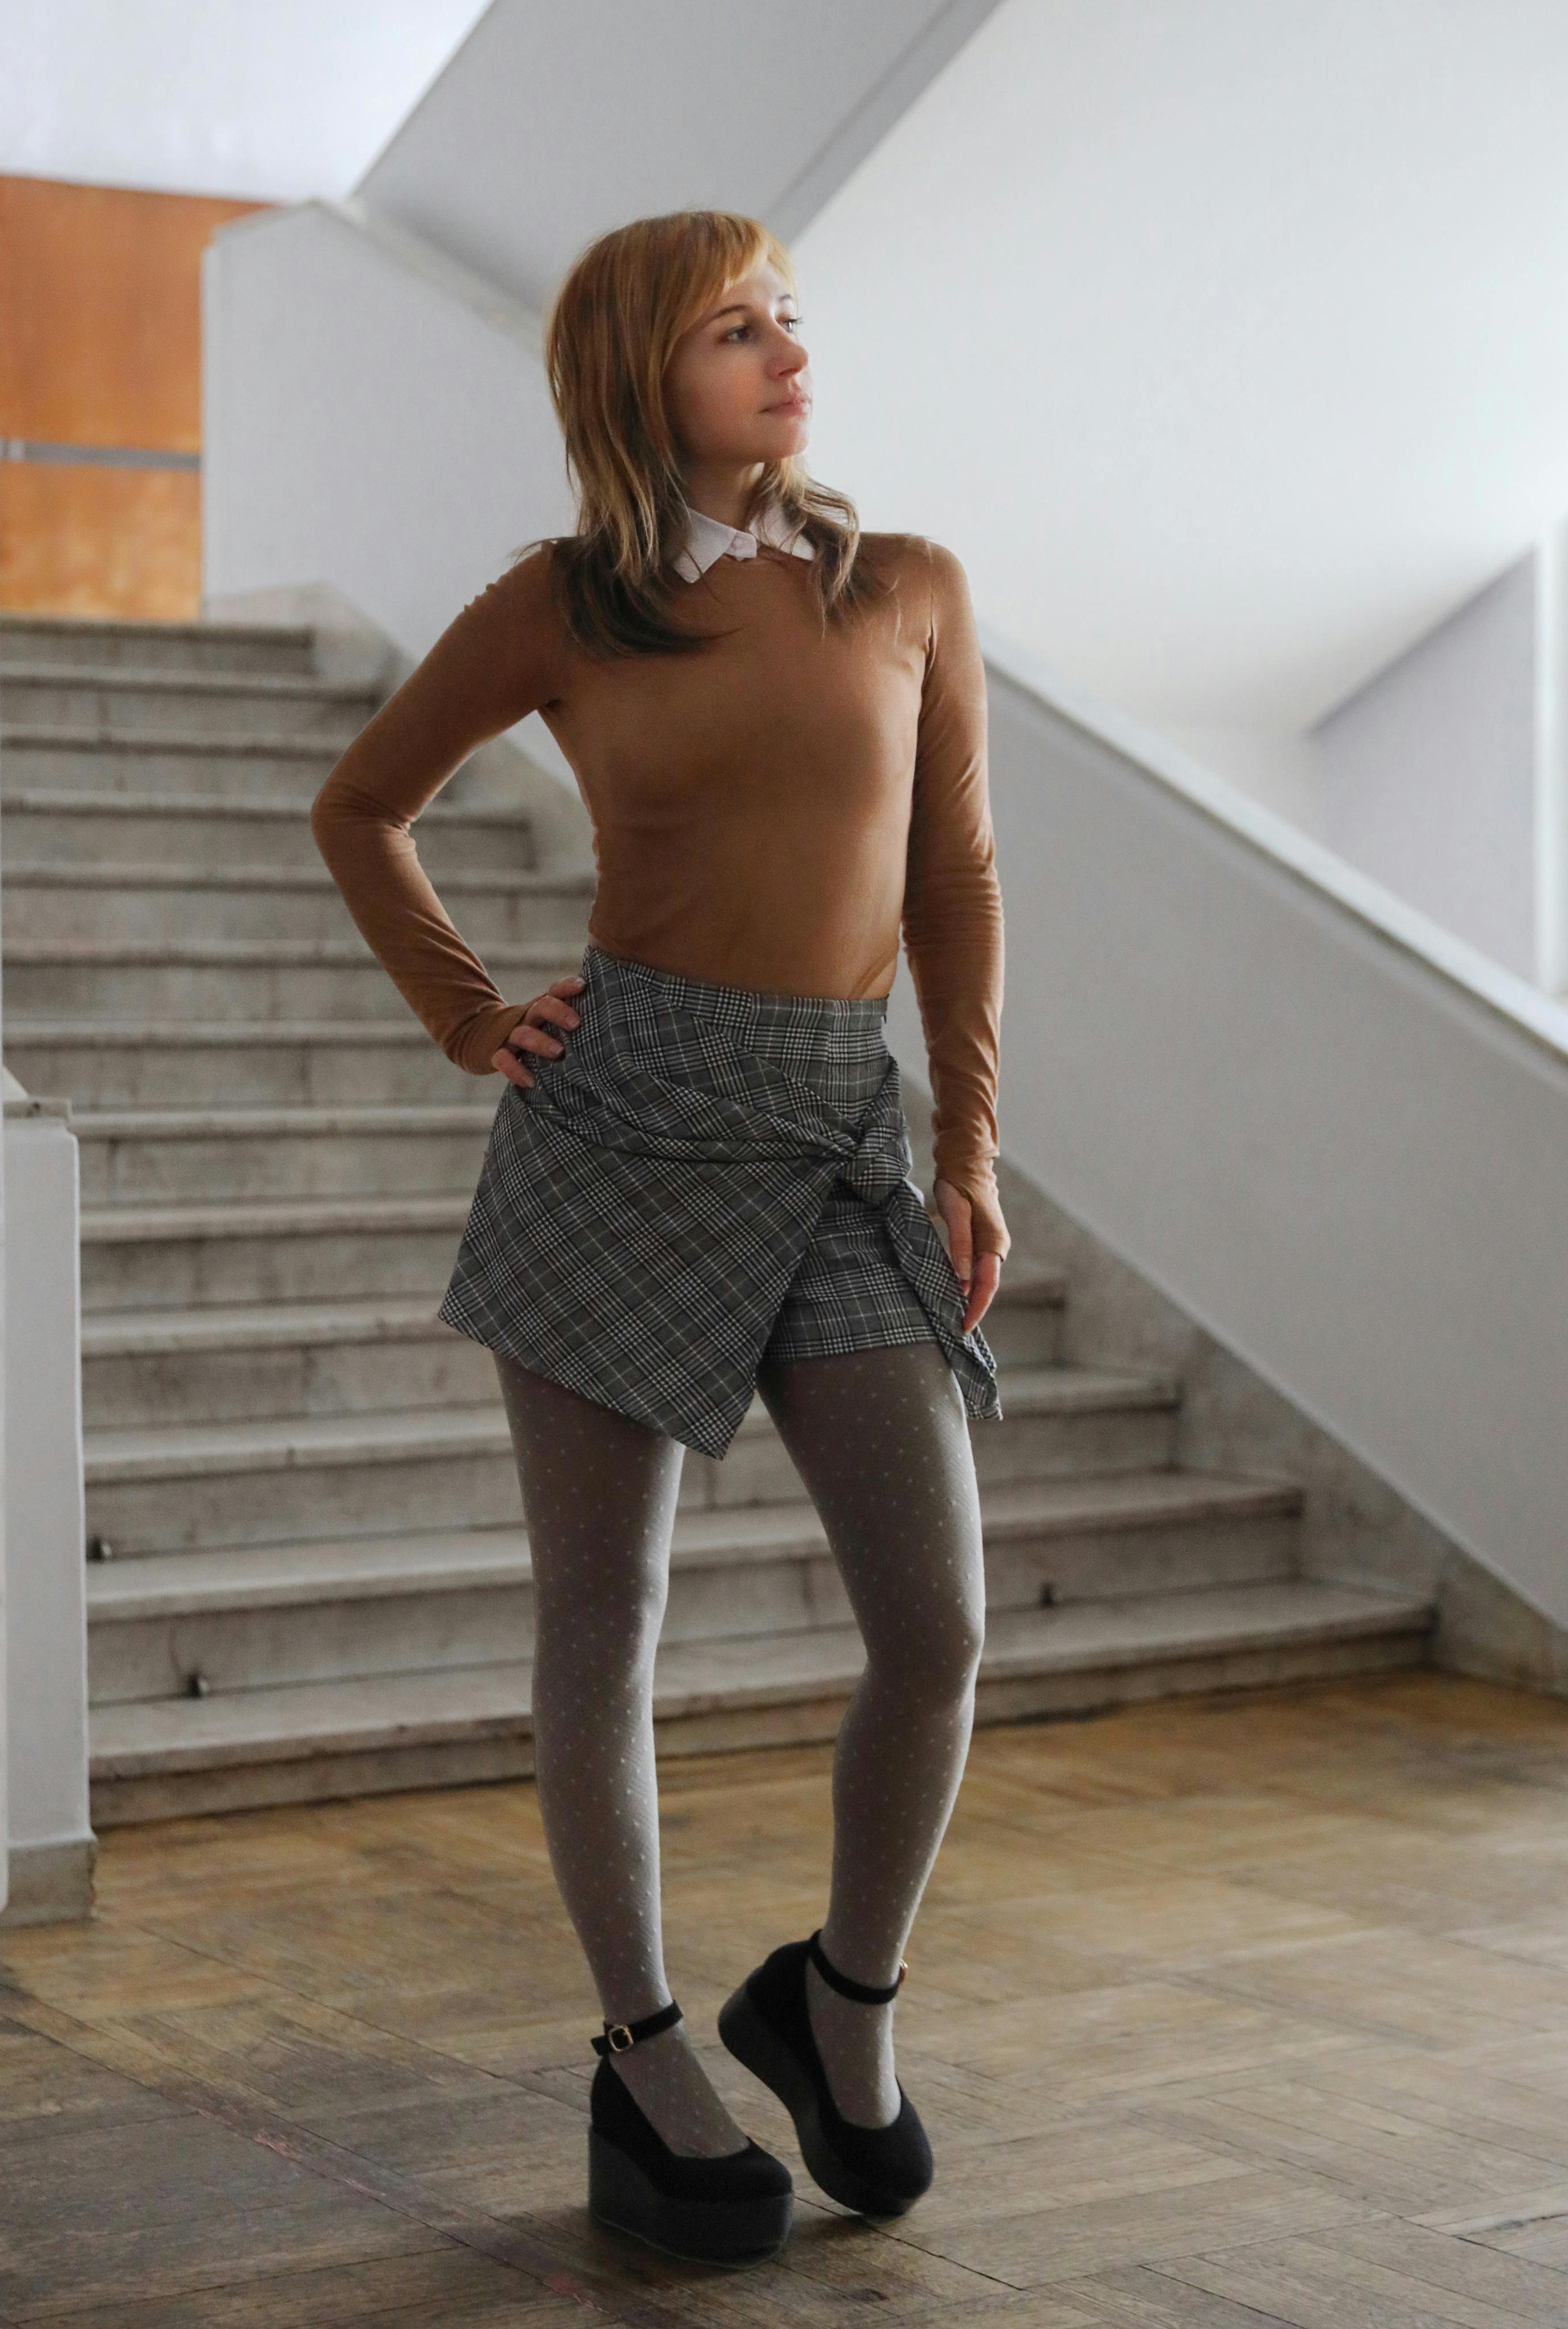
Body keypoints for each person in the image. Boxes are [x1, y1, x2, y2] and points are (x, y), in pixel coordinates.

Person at [311, 209, 1008, 2266]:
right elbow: (364, 803)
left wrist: (969, 1144)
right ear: (640, 377)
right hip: (613, 1133)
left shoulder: (904, 587)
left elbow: (953, 879)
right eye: (731, 327)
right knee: (602, 1626)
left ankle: (838, 1996)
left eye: (787, 314)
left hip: (831, 1136)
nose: (784, 349)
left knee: (938, 1625)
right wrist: (469, 1012)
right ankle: (641, 2054)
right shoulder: (563, 605)